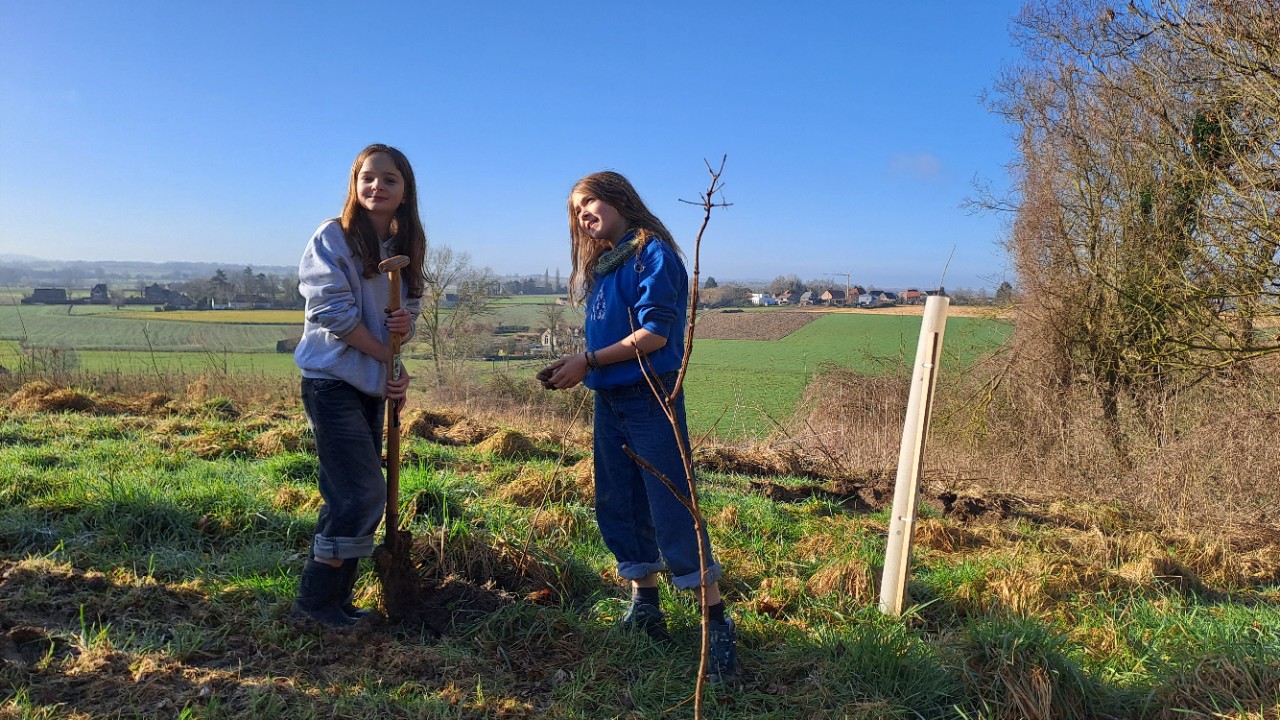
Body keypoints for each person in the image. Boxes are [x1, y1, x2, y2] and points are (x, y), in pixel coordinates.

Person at [542, 171, 737, 683]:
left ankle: (715, 626)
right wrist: (583, 365)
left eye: (590, 202)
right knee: (619, 502)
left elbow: (654, 334)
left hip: (652, 397)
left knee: (672, 504)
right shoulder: (607, 265)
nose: (583, 214)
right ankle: (645, 606)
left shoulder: (653, 254)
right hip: (610, 399)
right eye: (575, 210)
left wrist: (587, 360)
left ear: (619, 199)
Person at [290, 143, 425, 628]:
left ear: (405, 191)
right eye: (368, 177)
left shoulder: (403, 247)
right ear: (354, 183)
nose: (377, 186)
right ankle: (314, 602)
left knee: (353, 493)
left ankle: (337, 604)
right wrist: (387, 356)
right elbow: (333, 316)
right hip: (331, 383)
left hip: (370, 384)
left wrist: (398, 345)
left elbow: (408, 316)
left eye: (389, 179)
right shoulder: (332, 238)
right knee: (360, 494)